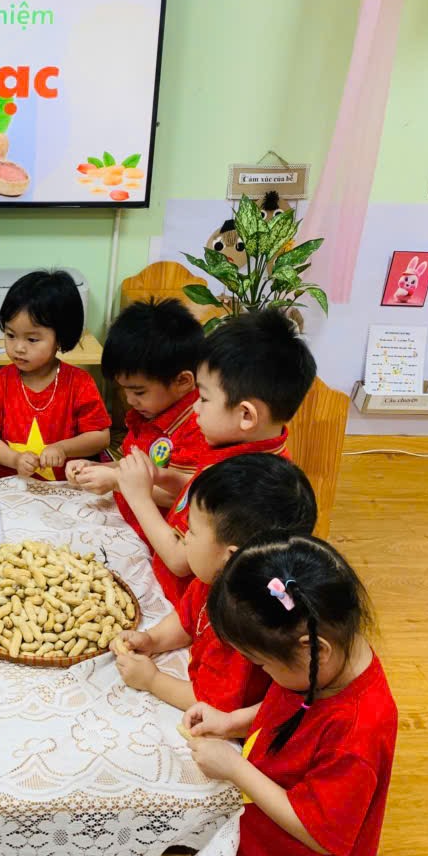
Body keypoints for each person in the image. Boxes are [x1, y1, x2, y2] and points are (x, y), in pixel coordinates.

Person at [183, 536, 396, 856]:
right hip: (260, 840)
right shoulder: (325, 664)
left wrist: (234, 768)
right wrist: (233, 721)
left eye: (262, 665)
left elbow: (317, 833)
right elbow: (291, 705)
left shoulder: (357, 734)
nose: (265, 675)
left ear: (314, 650)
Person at [114, 310, 316, 609]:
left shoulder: (248, 485)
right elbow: (200, 491)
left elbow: (179, 560)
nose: (195, 408)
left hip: (184, 607)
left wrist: (139, 496)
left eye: (204, 398)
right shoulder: (244, 451)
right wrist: (163, 477)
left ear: (246, 415)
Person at [114, 454, 317, 712]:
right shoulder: (216, 577)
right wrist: (153, 639)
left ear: (231, 556)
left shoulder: (245, 628)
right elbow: (187, 618)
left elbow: (213, 702)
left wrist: (153, 680)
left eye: (192, 531)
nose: (184, 538)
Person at [67, 299, 207, 534]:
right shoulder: (149, 412)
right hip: (130, 522)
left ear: (183, 381)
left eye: (139, 392)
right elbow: (132, 467)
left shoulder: (197, 425)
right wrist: (94, 467)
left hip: (161, 537)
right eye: (124, 389)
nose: (130, 400)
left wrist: (115, 481)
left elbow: (181, 496)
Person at [0, 270, 109, 480]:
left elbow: (100, 437)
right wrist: (15, 459)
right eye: (10, 335)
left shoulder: (80, 383)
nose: (18, 348)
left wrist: (63, 448)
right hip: (11, 487)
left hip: (64, 489)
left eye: (32, 340)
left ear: (60, 338)